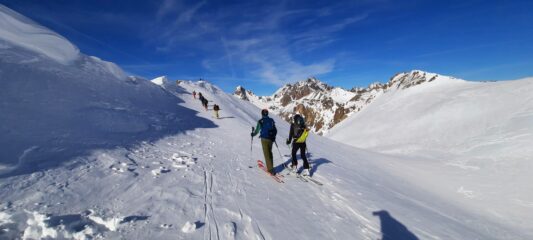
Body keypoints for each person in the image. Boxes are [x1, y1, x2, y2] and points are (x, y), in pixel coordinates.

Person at [251, 109, 277, 174]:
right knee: (270, 152)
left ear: (262, 114)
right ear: (267, 114)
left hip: (264, 139)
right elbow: (275, 130)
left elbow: (257, 130)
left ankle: (270, 169)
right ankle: (271, 166)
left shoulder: (261, 121)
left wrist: (253, 134)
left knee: (266, 154)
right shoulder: (271, 120)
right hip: (271, 138)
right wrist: (273, 137)